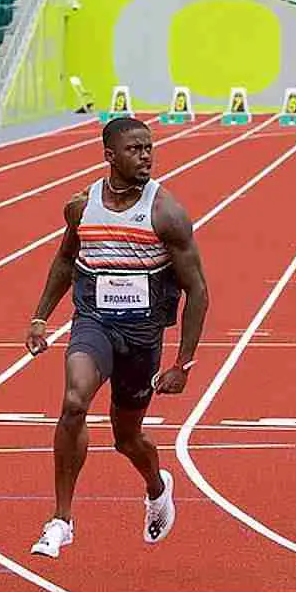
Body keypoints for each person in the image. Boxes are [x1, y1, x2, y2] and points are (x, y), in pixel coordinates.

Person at [24, 117, 209, 558]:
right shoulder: (81, 207)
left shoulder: (166, 212)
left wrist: (182, 364)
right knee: (73, 402)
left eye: (149, 148)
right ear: (110, 155)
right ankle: (61, 519)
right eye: (135, 149)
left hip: (142, 336)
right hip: (94, 323)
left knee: (127, 438)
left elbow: (197, 290)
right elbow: (66, 260)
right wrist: (39, 318)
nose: (145, 155)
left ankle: (156, 485)